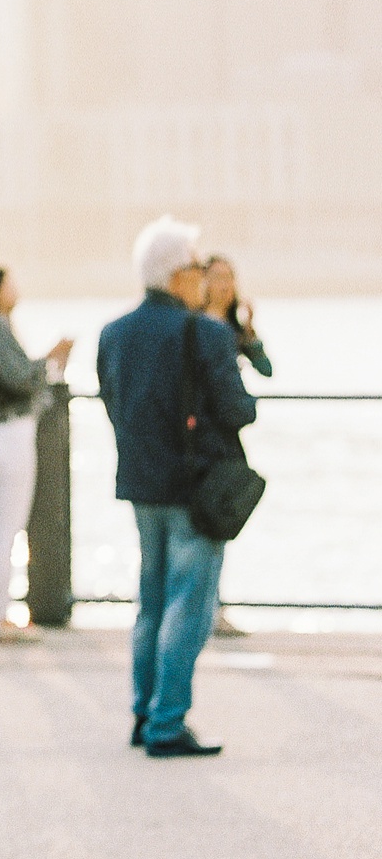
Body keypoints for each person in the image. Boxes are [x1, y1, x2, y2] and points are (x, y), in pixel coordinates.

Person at [97, 215, 257, 759]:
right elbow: (238, 410)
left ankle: (144, 714)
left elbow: (112, 405)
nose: (201, 278)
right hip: (194, 488)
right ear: (176, 274)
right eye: (195, 266)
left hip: (142, 484)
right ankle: (168, 722)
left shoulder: (113, 333)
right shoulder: (205, 332)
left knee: (152, 603)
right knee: (189, 606)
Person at [0, 268, 73, 638]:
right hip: (11, 434)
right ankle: (2, 616)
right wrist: (52, 358)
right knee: (10, 525)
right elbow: (19, 377)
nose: (16, 289)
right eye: (9, 284)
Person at [202, 254, 267, 636]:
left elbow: (266, 368)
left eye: (230, 277)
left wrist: (251, 331)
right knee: (206, 522)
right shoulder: (196, 326)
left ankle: (214, 605)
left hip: (227, 438)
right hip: (206, 436)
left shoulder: (230, 327)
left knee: (221, 518)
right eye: (218, 277)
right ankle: (208, 607)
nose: (225, 285)